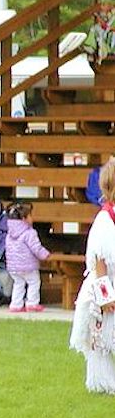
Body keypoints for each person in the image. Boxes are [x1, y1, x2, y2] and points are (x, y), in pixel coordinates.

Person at [70, 161, 115, 393]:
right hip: (103, 289)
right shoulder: (105, 221)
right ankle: (102, 382)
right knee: (101, 341)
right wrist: (105, 297)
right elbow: (100, 263)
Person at [5, 202, 50, 313]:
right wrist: (45, 255)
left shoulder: (9, 234)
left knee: (18, 284)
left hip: (13, 266)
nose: (32, 218)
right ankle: (32, 303)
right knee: (34, 282)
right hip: (28, 265)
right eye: (30, 215)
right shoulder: (30, 233)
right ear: (24, 219)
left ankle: (16, 304)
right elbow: (36, 248)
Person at [82, 0, 115, 66]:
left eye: (103, 4)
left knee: (96, 28)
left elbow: (110, 27)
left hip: (112, 39)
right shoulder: (108, 15)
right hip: (107, 35)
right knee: (95, 28)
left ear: (111, 5)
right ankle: (91, 47)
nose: (101, 7)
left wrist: (103, 24)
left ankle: (94, 48)